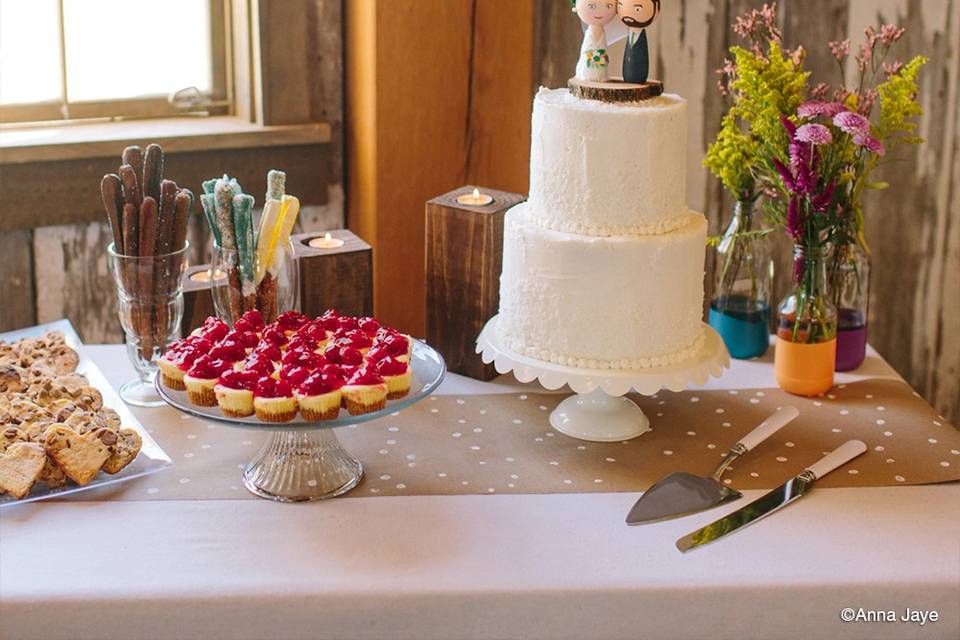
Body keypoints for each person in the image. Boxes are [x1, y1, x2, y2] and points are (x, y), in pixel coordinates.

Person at [573, 0, 617, 82]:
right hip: (585, 76)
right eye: (591, 6)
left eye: (608, 6)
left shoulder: (601, 33)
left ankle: (601, 74)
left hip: (602, 76)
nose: (600, 12)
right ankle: (588, 73)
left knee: (601, 53)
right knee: (588, 53)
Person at [618, 0, 660, 84]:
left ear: (656, 10)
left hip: (640, 75)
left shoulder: (641, 36)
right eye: (620, 6)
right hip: (627, 73)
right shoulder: (630, 34)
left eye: (637, 9)